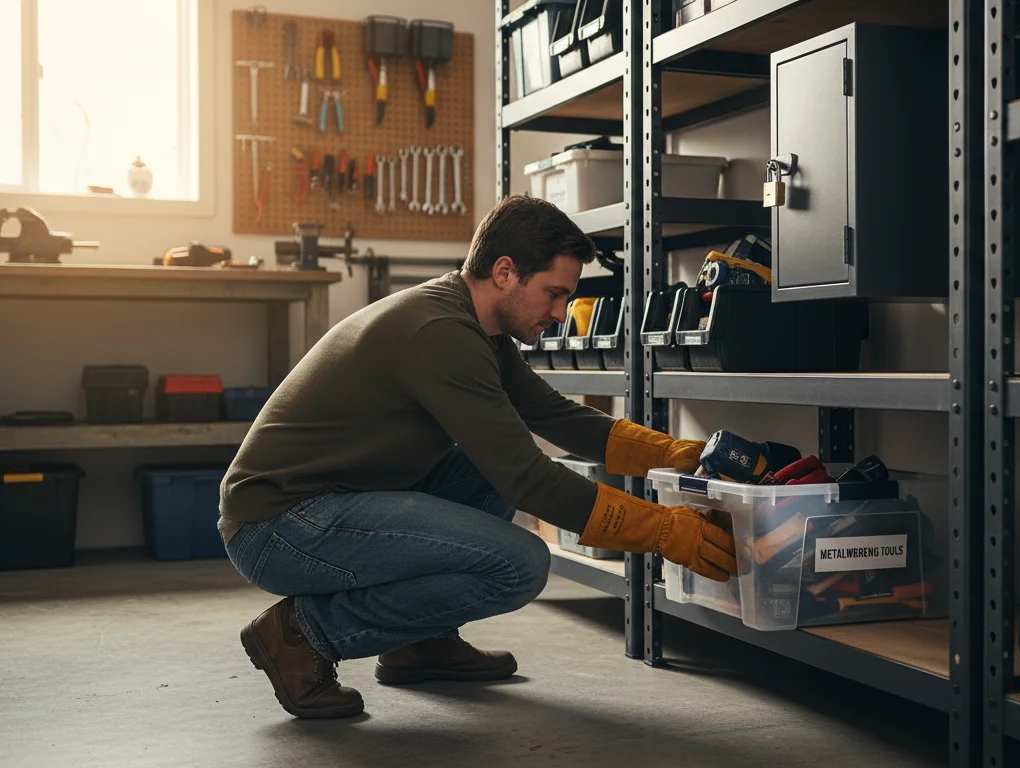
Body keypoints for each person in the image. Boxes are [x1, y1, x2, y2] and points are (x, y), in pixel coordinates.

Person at [217, 195, 735, 719]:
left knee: (480, 464)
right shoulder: (441, 333)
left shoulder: (473, 326)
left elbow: (554, 416)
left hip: (330, 503)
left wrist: (676, 454)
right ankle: (301, 635)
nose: (559, 314)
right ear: (505, 272)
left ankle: (419, 640)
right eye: (554, 295)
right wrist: (663, 531)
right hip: (278, 527)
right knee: (519, 565)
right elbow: (529, 481)